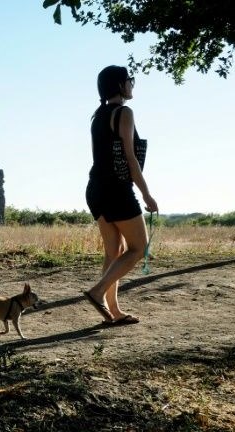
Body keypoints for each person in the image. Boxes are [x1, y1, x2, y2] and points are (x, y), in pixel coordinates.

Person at [82, 65, 158, 325]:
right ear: (119, 85)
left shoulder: (98, 116)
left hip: (95, 189)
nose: (132, 85)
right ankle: (97, 292)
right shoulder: (124, 113)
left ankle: (112, 312)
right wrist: (146, 194)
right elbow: (130, 158)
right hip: (116, 190)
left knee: (114, 252)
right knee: (139, 247)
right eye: (130, 80)